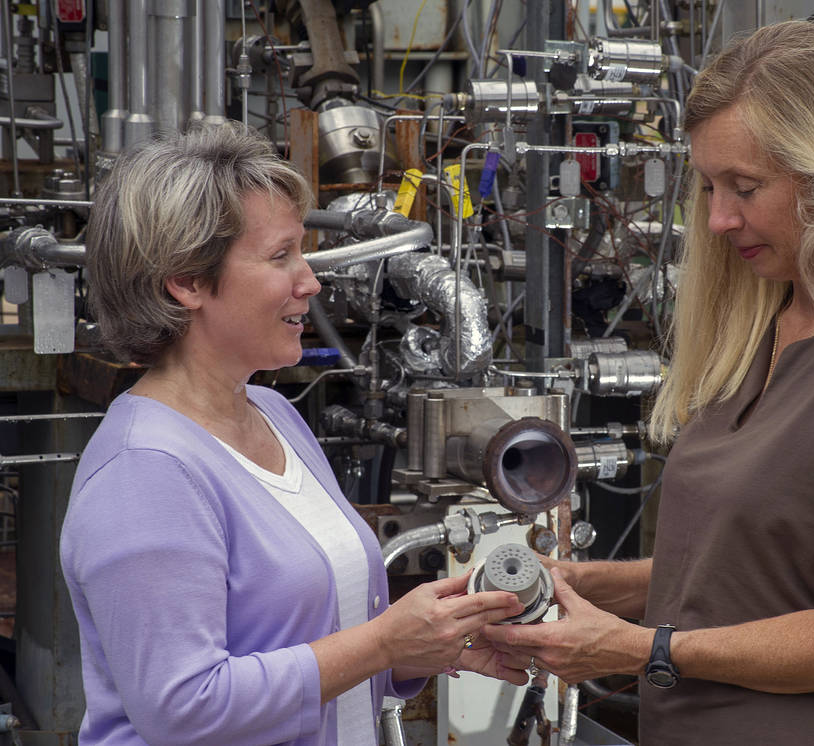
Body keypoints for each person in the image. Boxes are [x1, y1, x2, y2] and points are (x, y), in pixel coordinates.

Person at [484, 20, 814, 745]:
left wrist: (644, 649)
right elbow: (756, 565)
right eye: (706, 186)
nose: (718, 219)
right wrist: (599, 585)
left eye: (745, 187)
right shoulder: (767, 327)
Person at [59, 124, 528, 746]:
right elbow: (184, 709)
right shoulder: (145, 471)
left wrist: (428, 645)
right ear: (187, 282)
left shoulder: (272, 414)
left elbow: (315, 653)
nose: (311, 281)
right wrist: (383, 640)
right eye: (281, 256)